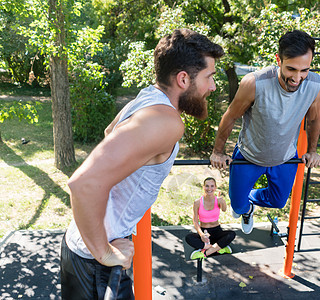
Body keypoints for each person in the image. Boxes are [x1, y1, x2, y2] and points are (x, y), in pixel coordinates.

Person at [60, 29, 224, 299]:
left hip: (85, 249)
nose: (213, 87)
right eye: (209, 77)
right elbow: (83, 184)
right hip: (96, 262)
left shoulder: (147, 98)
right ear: (183, 79)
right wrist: (105, 251)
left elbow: (109, 134)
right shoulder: (167, 122)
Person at [210, 30, 320, 234]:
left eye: (304, 70)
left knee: (278, 202)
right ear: (278, 60)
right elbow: (230, 116)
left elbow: (314, 118)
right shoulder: (255, 82)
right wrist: (218, 151)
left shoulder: (316, 85)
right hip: (249, 156)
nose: (297, 78)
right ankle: (246, 208)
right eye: (291, 69)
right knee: (237, 206)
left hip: (285, 157)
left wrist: (313, 150)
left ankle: (250, 199)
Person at [185, 177, 236, 259]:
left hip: (217, 231)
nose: (209, 188)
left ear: (215, 187)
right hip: (204, 233)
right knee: (188, 238)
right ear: (203, 187)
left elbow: (224, 209)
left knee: (231, 234)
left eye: (212, 186)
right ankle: (218, 248)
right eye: (207, 186)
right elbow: (195, 221)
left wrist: (222, 201)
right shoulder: (197, 202)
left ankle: (205, 252)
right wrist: (201, 235)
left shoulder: (218, 200)